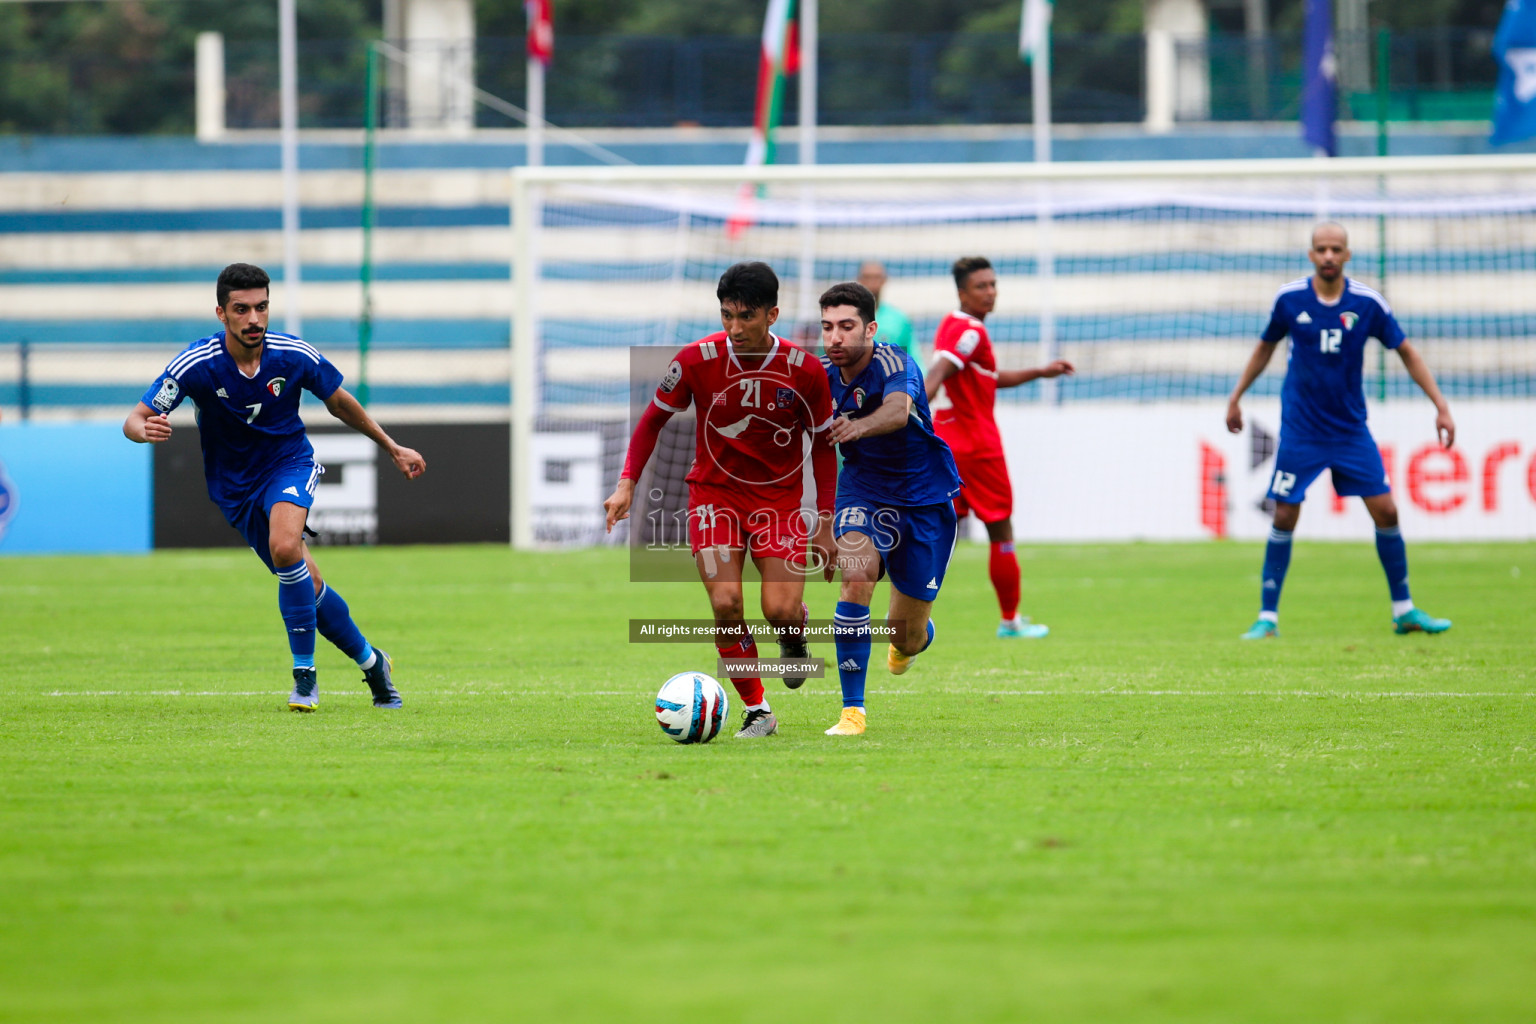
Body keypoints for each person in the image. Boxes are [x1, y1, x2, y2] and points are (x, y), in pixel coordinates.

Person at [123, 263, 426, 711]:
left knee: (286, 547)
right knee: (309, 583)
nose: (254, 319)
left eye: (262, 307)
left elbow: (339, 401)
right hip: (235, 488)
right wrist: (142, 431)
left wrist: (391, 446)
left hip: (288, 464)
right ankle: (372, 663)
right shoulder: (197, 364)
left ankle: (305, 678)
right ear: (221, 313)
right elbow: (135, 418)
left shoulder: (293, 354)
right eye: (241, 309)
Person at [603, 261, 837, 738]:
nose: (734, 328)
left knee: (779, 610)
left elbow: (825, 448)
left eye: (745, 316)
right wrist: (627, 481)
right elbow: (652, 421)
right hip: (714, 500)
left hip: (779, 505)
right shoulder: (695, 360)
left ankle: (795, 633)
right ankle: (759, 710)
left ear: (772, 315)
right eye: (727, 315)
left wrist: (827, 522)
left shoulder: (807, 370)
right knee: (727, 602)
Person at [1227, 222, 1454, 638]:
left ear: (1347, 254)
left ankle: (1404, 610)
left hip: (1350, 430)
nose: (1329, 255)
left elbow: (1406, 351)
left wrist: (1440, 405)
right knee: (1284, 513)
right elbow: (1265, 347)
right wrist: (1236, 396)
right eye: (1321, 249)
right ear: (1311, 254)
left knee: (1386, 510)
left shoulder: (1367, 303)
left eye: (1336, 249)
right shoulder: (1289, 298)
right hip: (1302, 430)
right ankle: (1267, 617)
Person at [819, 281, 962, 737]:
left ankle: (913, 639)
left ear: (871, 328)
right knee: (856, 575)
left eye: (846, 326)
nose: (835, 337)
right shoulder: (821, 376)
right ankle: (852, 711)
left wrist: (855, 429)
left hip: (923, 499)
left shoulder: (895, 361)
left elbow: (898, 412)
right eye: (827, 328)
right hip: (863, 492)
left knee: (906, 638)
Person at [924, 256, 1073, 639]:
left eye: (992, 285)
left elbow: (986, 378)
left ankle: (913, 615)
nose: (990, 292)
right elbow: (939, 372)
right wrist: (911, 407)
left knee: (941, 530)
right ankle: (1010, 621)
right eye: (981, 286)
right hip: (977, 445)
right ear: (962, 292)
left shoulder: (951, 323)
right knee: (1000, 530)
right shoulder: (971, 332)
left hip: (947, 441)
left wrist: (1040, 371)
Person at [856, 260, 918, 364]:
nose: (872, 282)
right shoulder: (845, 318)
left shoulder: (899, 319)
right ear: (859, 280)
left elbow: (913, 356)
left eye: (876, 277)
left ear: (884, 280)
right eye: (867, 277)